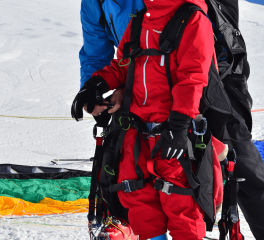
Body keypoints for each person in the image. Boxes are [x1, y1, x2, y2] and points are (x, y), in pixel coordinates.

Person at [77, 0, 264, 239]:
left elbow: (198, 58)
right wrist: (95, 89)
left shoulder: (189, 16)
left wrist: (183, 119)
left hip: (209, 83)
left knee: (239, 162)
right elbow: (100, 55)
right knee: (135, 183)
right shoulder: (96, 4)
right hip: (142, 94)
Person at [73, 0, 224, 239]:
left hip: (174, 136)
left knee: (182, 205)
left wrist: (179, 125)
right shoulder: (139, 19)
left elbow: (193, 77)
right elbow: (123, 64)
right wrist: (93, 86)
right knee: (140, 204)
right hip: (137, 134)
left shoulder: (193, 19)